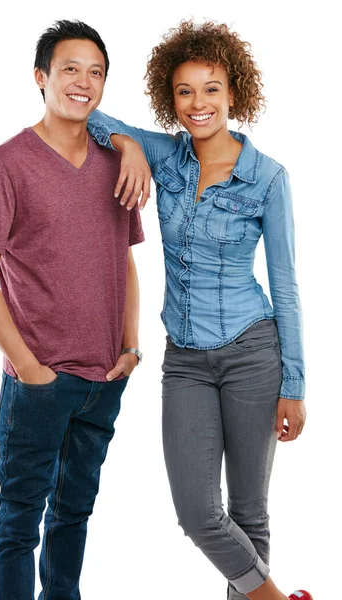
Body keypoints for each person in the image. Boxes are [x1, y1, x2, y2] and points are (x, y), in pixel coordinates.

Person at [88, 20, 312, 600]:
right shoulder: (167, 158)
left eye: (211, 88)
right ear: (171, 98)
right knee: (196, 512)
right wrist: (131, 145)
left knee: (248, 512)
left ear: (234, 92)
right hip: (184, 360)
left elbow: (285, 286)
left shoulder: (267, 178)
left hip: (253, 352)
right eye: (185, 91)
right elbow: (89, 117)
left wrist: (295, 384)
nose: (199, 103)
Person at [0, 19, 144, 600]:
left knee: (72, 518)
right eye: (70, 69)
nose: (83, 82)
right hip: (38, 382)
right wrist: (28, 367)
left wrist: (130, 345)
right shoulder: (5, 164)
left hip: (104, 379)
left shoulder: (116, 163)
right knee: (18, 526)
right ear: (41, 78)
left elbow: (126, 259)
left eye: (96, 73)